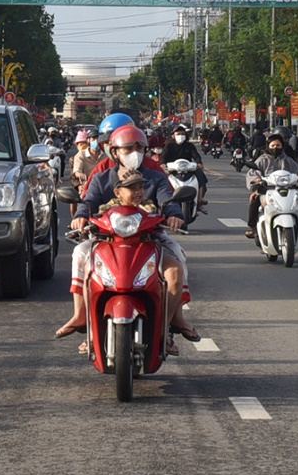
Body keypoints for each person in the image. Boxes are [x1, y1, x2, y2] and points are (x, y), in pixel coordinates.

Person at [57, 125, 199, 347]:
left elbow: (167, 200)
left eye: (139, 147)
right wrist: (81, 217)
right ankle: (82, 317)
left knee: (177, 263)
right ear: (115, 152)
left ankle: (169, 323)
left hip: (151, 239)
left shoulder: (155, 177)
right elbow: (88, 202)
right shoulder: (101, 178)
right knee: (79, 253)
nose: (135, 152)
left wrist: (174, 215)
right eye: (128, 148)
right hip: (106, 239)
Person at [244, 132, 298, 239]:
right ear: (268, 146)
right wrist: (256, 180)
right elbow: (252, 174)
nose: (275, 148)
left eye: (278, 145)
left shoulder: (288, 160)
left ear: (282, 147)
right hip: (266, 190)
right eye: (273, 146)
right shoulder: (262, 160)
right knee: (254, 199)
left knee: (297, 200)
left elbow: (297, 172)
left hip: (285, 189)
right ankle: (253, 227)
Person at [161, 122, 209, 213]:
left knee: (200, 176)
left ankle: (200, 199)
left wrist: (199, 163)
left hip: (188, 169)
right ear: (174, 136)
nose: (180, 136)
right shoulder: (169, 146)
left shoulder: (189, 146)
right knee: (162, 180)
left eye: (182, 134)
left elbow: (196, 155)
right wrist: (162, 163)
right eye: (178, 134)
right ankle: (165, 200)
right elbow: (163, 157)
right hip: (172, 170)